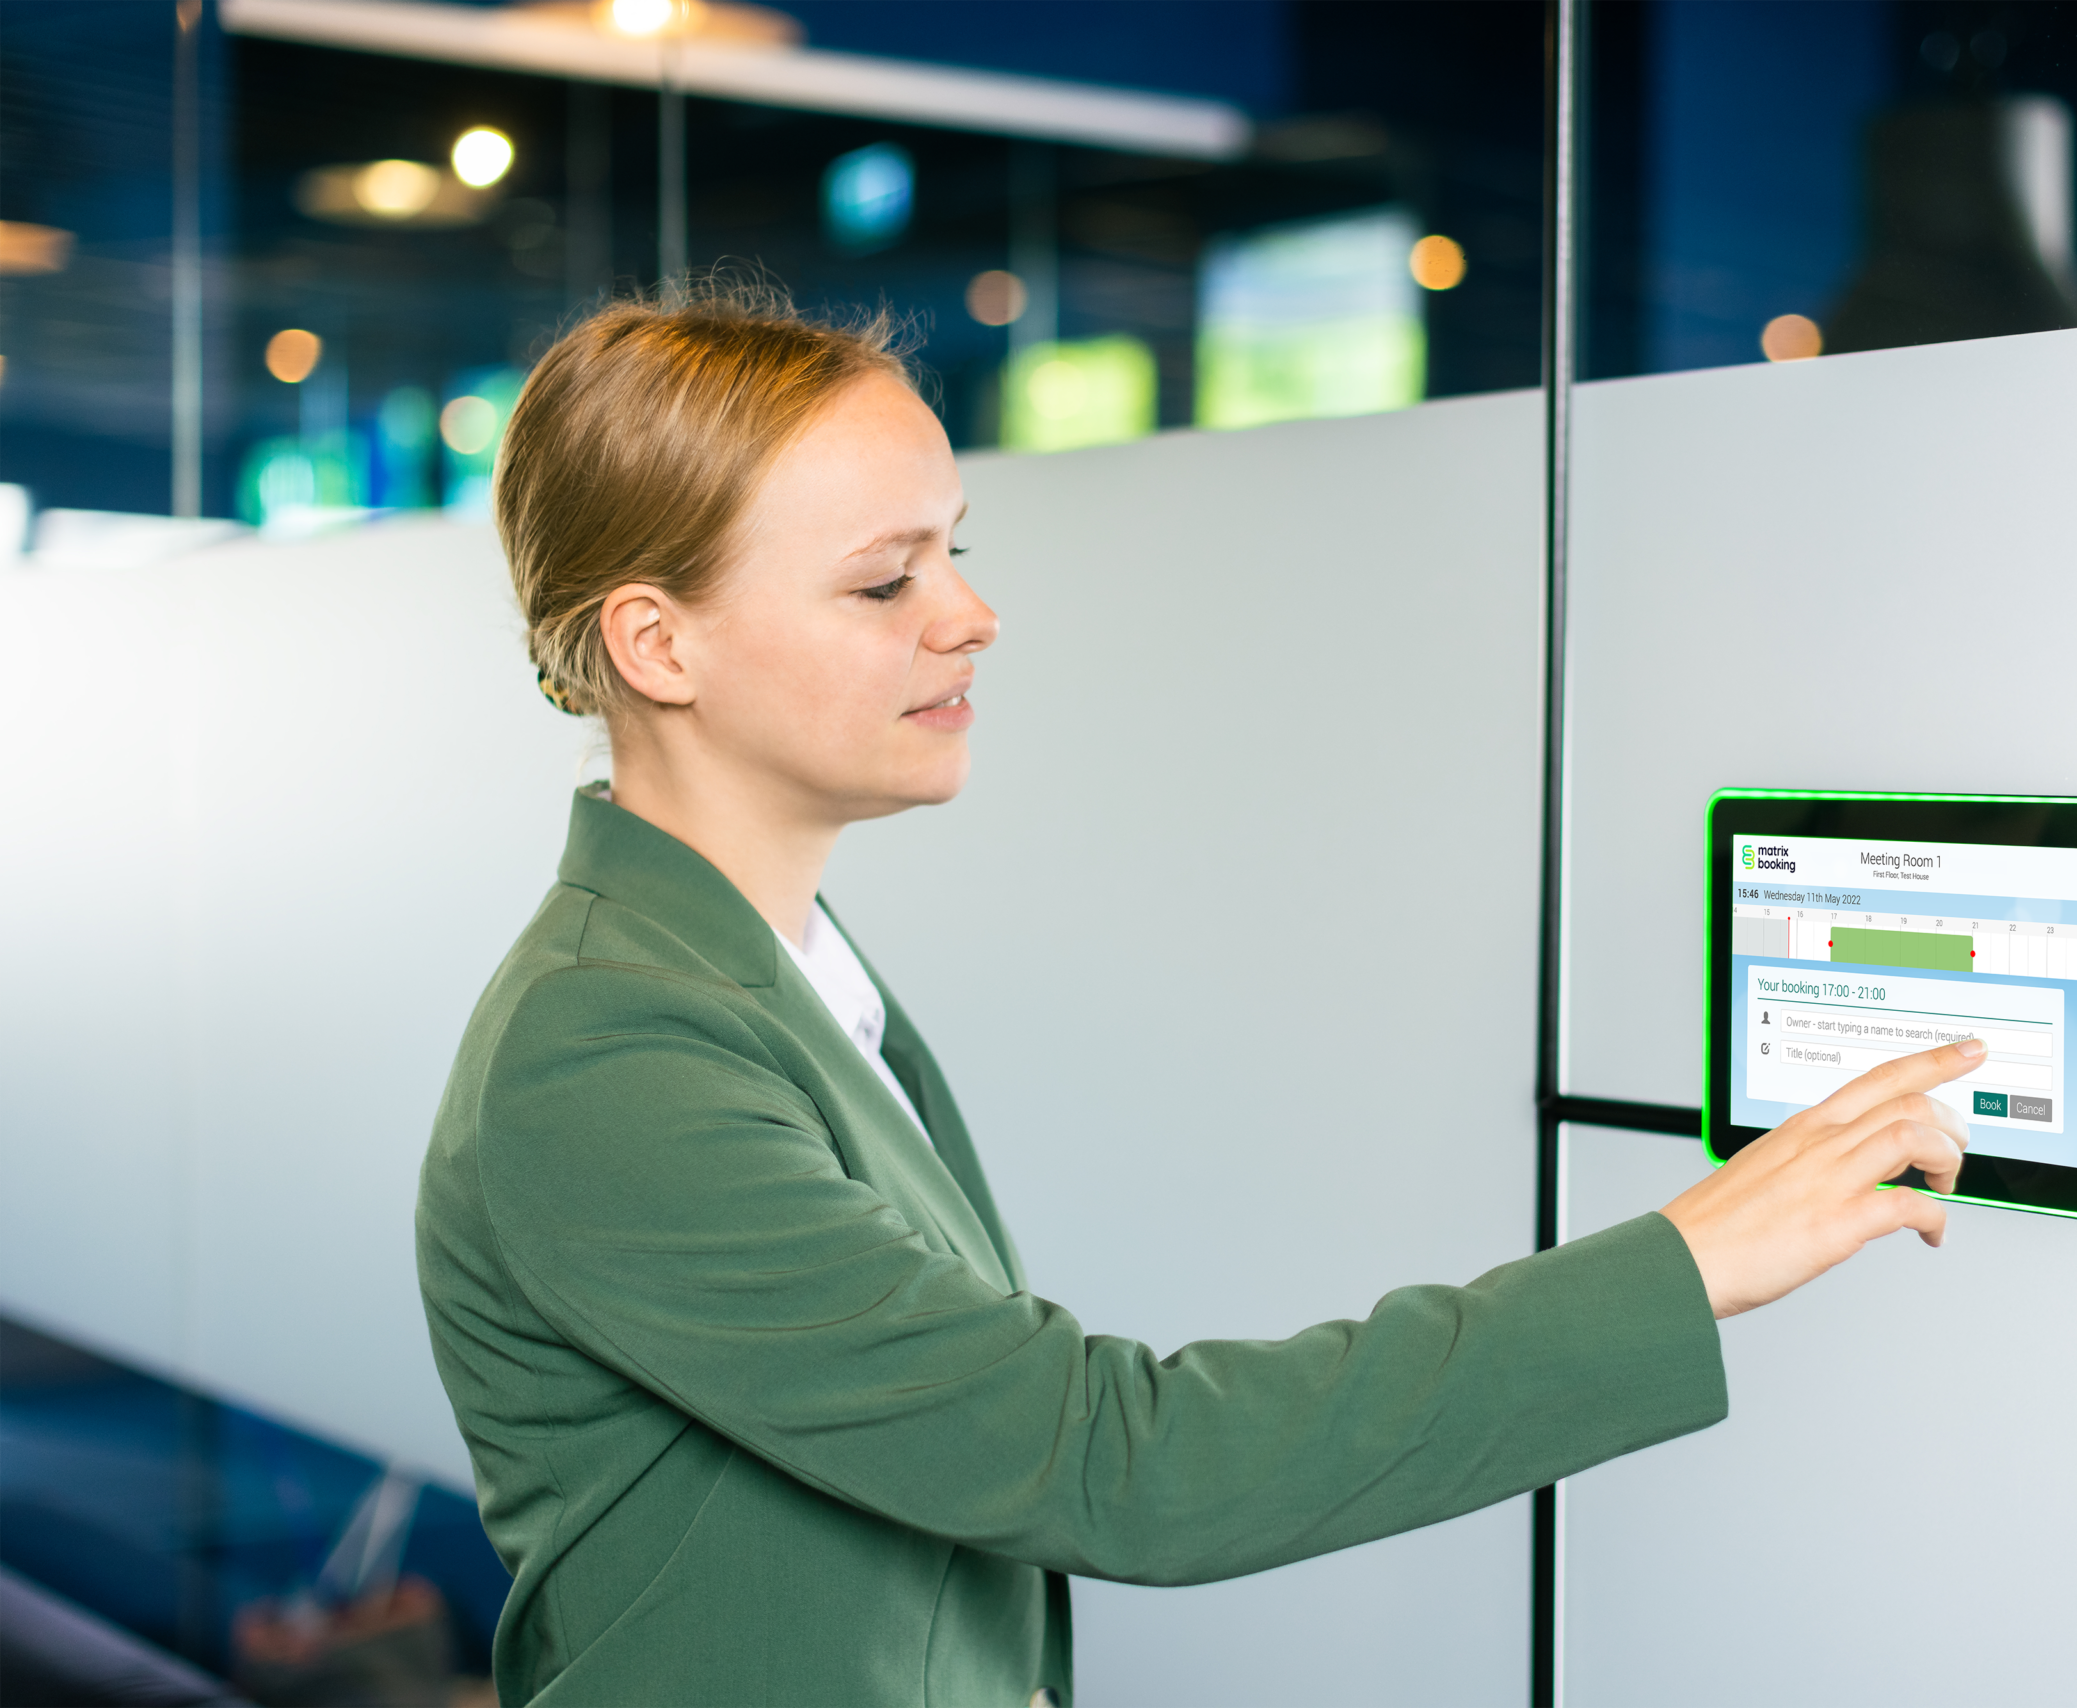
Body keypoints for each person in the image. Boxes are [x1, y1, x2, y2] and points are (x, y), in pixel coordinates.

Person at [414, 285, 1979, 1708]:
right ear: (655, 641)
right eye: (885, 581)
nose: (968, 614)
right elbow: (1109, 1465)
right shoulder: (609, 1052)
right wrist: (1684, 1263)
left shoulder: (779, 974)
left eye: (957, 549)